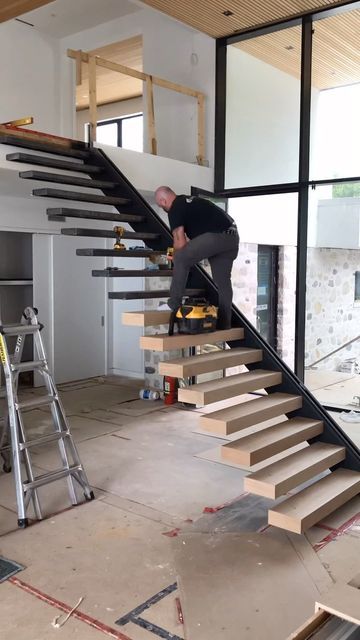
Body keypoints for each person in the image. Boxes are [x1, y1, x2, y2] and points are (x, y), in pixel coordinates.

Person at [154, 186, 239, 330]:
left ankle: (173, 304)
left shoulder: (175, 207)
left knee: (180, 257)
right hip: (232, 237)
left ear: (163, 201)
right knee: (223, 281)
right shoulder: (189, 201)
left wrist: (176, 257)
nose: (162, 207)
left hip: (215, 237)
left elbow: (180, 240)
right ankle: (225, 323)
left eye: (160, 204)